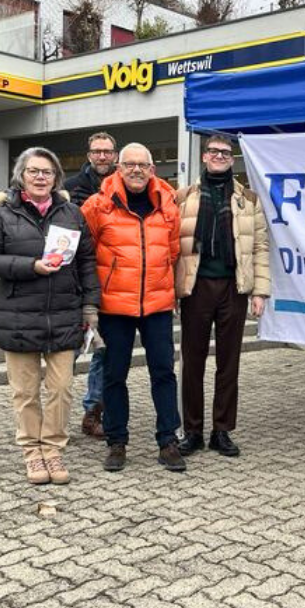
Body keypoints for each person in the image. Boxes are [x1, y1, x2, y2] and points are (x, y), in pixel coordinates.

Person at [0, 147, 99, 485]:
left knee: (61, 389)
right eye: (34, 171)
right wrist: (31, 266)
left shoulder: (72, 213)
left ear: (56, 177)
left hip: (64, 314)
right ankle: (32, 453)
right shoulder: (2, 215)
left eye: (47, 171)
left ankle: (53, 449)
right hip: (18, 315)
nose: (40, 177)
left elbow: (87, 262)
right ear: (22, 176)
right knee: (26, 392)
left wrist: (90, 306)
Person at [81, 143, 184, 473]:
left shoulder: (168, 204)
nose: (136, 170)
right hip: (114, 306)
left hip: (157, 304)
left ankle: (168, 440)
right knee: (114, 375)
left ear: (152, 169)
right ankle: (116, 441)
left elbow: (173, 251)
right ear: (119, 168)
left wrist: (172, 291)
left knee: (164, 373)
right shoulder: (97, 205)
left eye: (143, 165)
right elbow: (85, 253)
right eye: (129, 164)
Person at [175, 135, 271, 458]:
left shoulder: (249, 199)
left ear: (232, 159)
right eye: (214, 151)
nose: (219, 156)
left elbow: (260, 246)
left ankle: (222, 430)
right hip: (196, 286)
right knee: (193, 362)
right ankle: (192, 431)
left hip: (233, 287)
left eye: (225, 153)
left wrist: (260, 291)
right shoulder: (184, 196)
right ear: (204, 157)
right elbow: (173, 245)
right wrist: (173, 289)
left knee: (229, 363)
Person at [66, 132, 119, 440]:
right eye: (97, 151)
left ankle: (93, 413)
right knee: (68, 352)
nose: (102, 156)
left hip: (111, 284)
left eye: (107, 151)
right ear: (89, 155)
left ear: (115, 155)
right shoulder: (71, 188)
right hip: (76, 282)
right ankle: (55, 414)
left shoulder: (123, 187)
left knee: (104, 352)